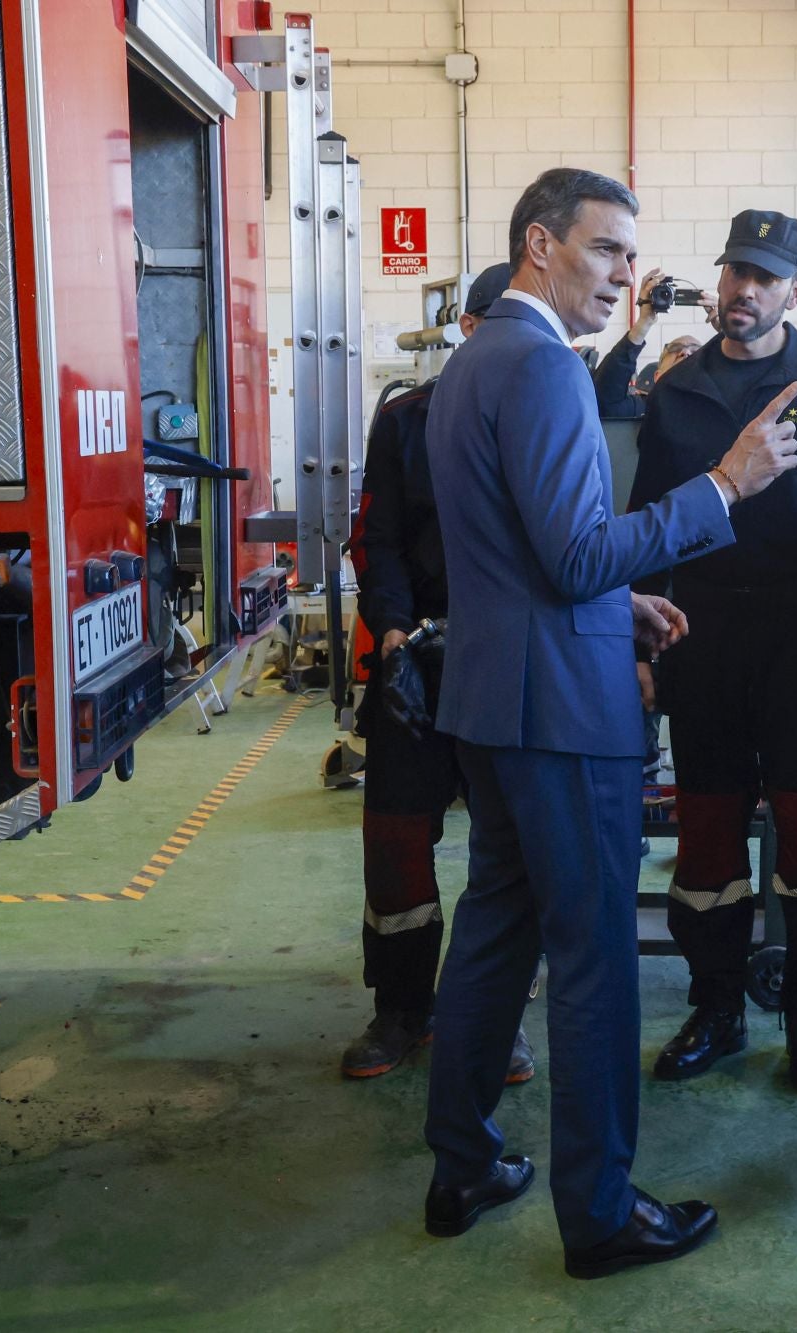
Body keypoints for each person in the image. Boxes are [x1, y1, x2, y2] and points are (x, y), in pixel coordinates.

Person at [420, 168, 797, 1279]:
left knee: (496, 930)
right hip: (559, 713)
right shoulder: (540, 367)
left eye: (633, 257)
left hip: (496, 697)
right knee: (593, 962)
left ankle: (464, 1163)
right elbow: (576, 547)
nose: (627, 276)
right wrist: (724, 487)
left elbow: (524, 552)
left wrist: (611, 601)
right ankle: (599, 1213)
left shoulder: (479, 357)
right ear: (541, 245)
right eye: (605, 251)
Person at [626, 210, 797, 1092]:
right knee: (706, 833)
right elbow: (648, 522)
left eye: (765, 278)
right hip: (700, 632)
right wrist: (644, 641)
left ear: (795, 293)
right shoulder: (679, 393)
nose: (744, 289)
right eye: (736, 270)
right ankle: (717, 1004)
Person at [342, 264, 541, 1083]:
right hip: (416, 654)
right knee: (396, 833)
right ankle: (401, 1007)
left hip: (512, 657)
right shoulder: (404, 421)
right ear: (466, 328)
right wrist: (391, 631)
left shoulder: (547, 415)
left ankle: (495, 1015)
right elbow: (375, 537)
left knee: (512, 844)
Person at [595, 269, 711, 417]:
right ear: (657, 376)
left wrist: (729, 332)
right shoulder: (644, 409)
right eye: (676, 348)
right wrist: (643, 323)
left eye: (696, 351)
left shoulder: (716, 413)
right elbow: (604, 400)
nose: (686, 352)